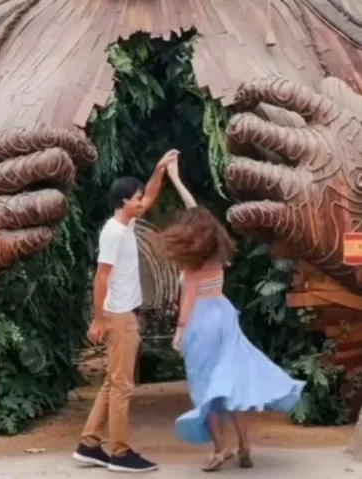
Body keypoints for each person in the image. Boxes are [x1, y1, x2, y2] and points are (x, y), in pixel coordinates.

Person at [162, 162, 305, 472]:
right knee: (231, 384)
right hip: (224, 316)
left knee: (206, 388)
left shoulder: (191, 265)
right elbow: (198, 212)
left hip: (200, 322)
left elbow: (187, 304)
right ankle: (243, 446)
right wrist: (175, 176)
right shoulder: (215, 249)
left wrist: (179, 332)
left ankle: (219, 449)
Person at [73, 151, 178, 473]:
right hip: (119, 316)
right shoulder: (113, 233)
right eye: (136, 199)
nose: (141, 202)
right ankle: (120, 453)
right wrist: (100, 318)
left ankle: (89, 444)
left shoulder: (126, 224)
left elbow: (151, 194)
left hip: (121, 314)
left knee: (112, 381)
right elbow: (101, 277)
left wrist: (159, 168)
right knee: (122, 386)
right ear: (122, 201)